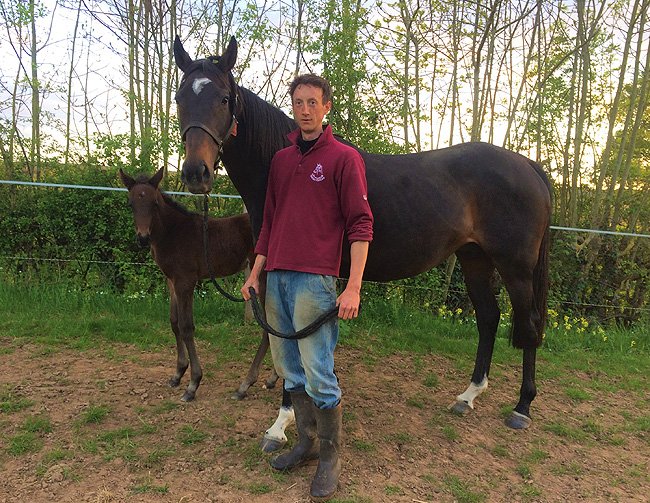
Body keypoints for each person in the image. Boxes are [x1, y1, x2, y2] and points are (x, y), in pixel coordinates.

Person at [241, 74, 373, 501]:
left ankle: (331, 457)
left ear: (326, 106)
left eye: (313, 102)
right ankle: (307, 441)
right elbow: (269, 223)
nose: (305, 110)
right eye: (298, 102)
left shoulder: (344, 159)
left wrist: (353, 286)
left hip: (314, 282)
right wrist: (255, 273)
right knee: (287, 366)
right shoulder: (281, 161)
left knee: (318, 370)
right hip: (277, 278)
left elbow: (361, 224)